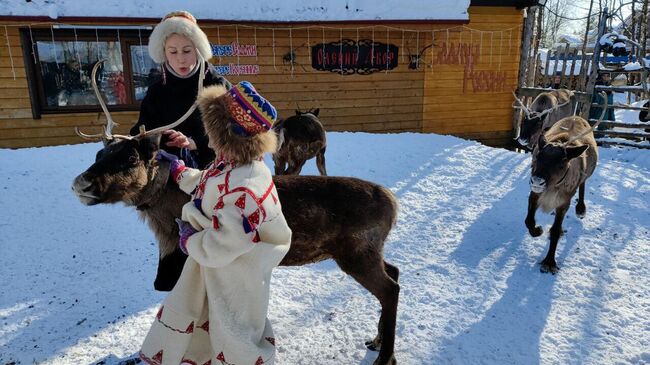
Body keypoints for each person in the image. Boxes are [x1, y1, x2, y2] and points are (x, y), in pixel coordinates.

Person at [140, 81, 291, 365]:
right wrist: (181, 172)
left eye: (213, 134)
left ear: (231, 137)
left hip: (234, 277)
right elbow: (211, 183)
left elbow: (223, 244)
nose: (208, 141)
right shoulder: (234, 165)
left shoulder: (246, 187)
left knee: (233, 331)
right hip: (218, 273)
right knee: (206, 320)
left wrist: (189, 240)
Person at [130, 11, 232, 291]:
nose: (181, 58)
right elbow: (141, 131)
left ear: (198, 48)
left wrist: (195, 142)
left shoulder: (218, 85)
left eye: (187, 50)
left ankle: (216, 279)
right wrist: (162, 139)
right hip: (171, 181)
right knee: (175, 229)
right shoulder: (157, 92)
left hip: (213, 172)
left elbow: (235, 130)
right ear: (163, 52)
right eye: (173, 51)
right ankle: (179, 280)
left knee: (213, 230)